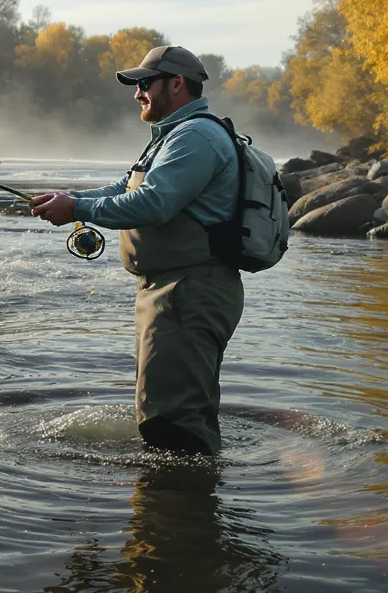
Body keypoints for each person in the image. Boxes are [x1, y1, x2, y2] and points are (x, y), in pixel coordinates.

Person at [30, 45, 242, 455]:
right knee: (170, 412)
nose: (137, 93)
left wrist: (76, 208)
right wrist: (69, 197)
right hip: (172, 290)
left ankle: (177, 514)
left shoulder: (196, 137)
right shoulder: (172, 136)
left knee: (172, 421)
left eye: (145, 83)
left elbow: (154, 204)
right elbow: (125, 190)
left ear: (177, 84)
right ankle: (180, 507)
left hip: (190, 291)